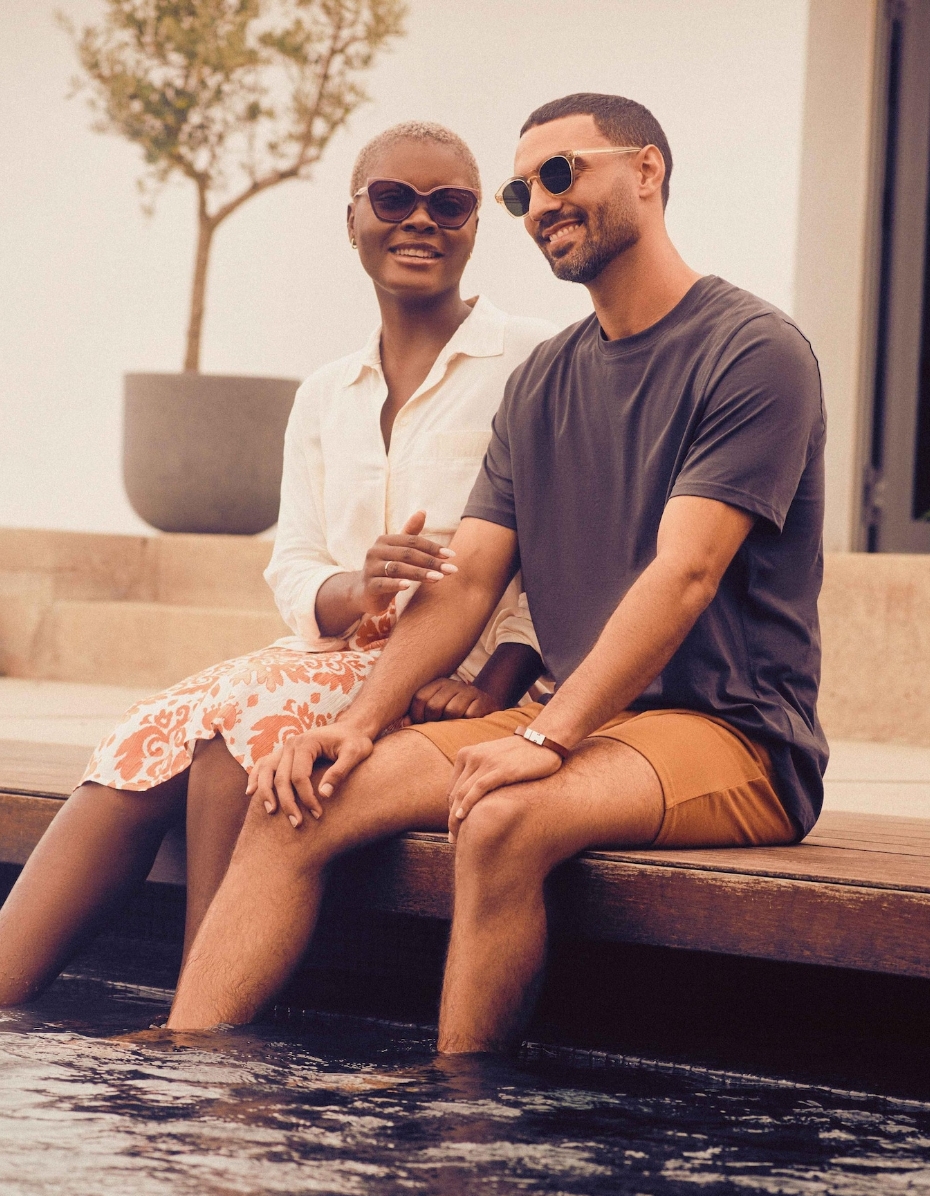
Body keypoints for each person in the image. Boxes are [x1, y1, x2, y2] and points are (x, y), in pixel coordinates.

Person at [161, 92, 829, 1051]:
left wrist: (549, 737)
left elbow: (684, 574)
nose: (541, 201)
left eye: (563, 173)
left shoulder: (752, 351)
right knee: (295, 797)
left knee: (502, 819)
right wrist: (352, 727)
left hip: (733, 736)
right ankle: (188, 1094)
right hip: (583, 716)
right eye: (522, 190)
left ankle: (462, 1135)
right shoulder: (545, 378)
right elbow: (467, 580)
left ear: (648, 172)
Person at [0, 121, 555, 1006]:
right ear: (352, 221)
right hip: (335, 654)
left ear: (473, 227)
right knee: (140, 734)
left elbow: (558, 555)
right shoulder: (325, 393)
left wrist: (498, 676)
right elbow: (295, 564)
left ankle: (199, 1024)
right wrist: (358, 587)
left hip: (458, 670)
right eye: (392, 199)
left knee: (244, 726)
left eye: (448, 204)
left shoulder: (533, 361)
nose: (420, 221)